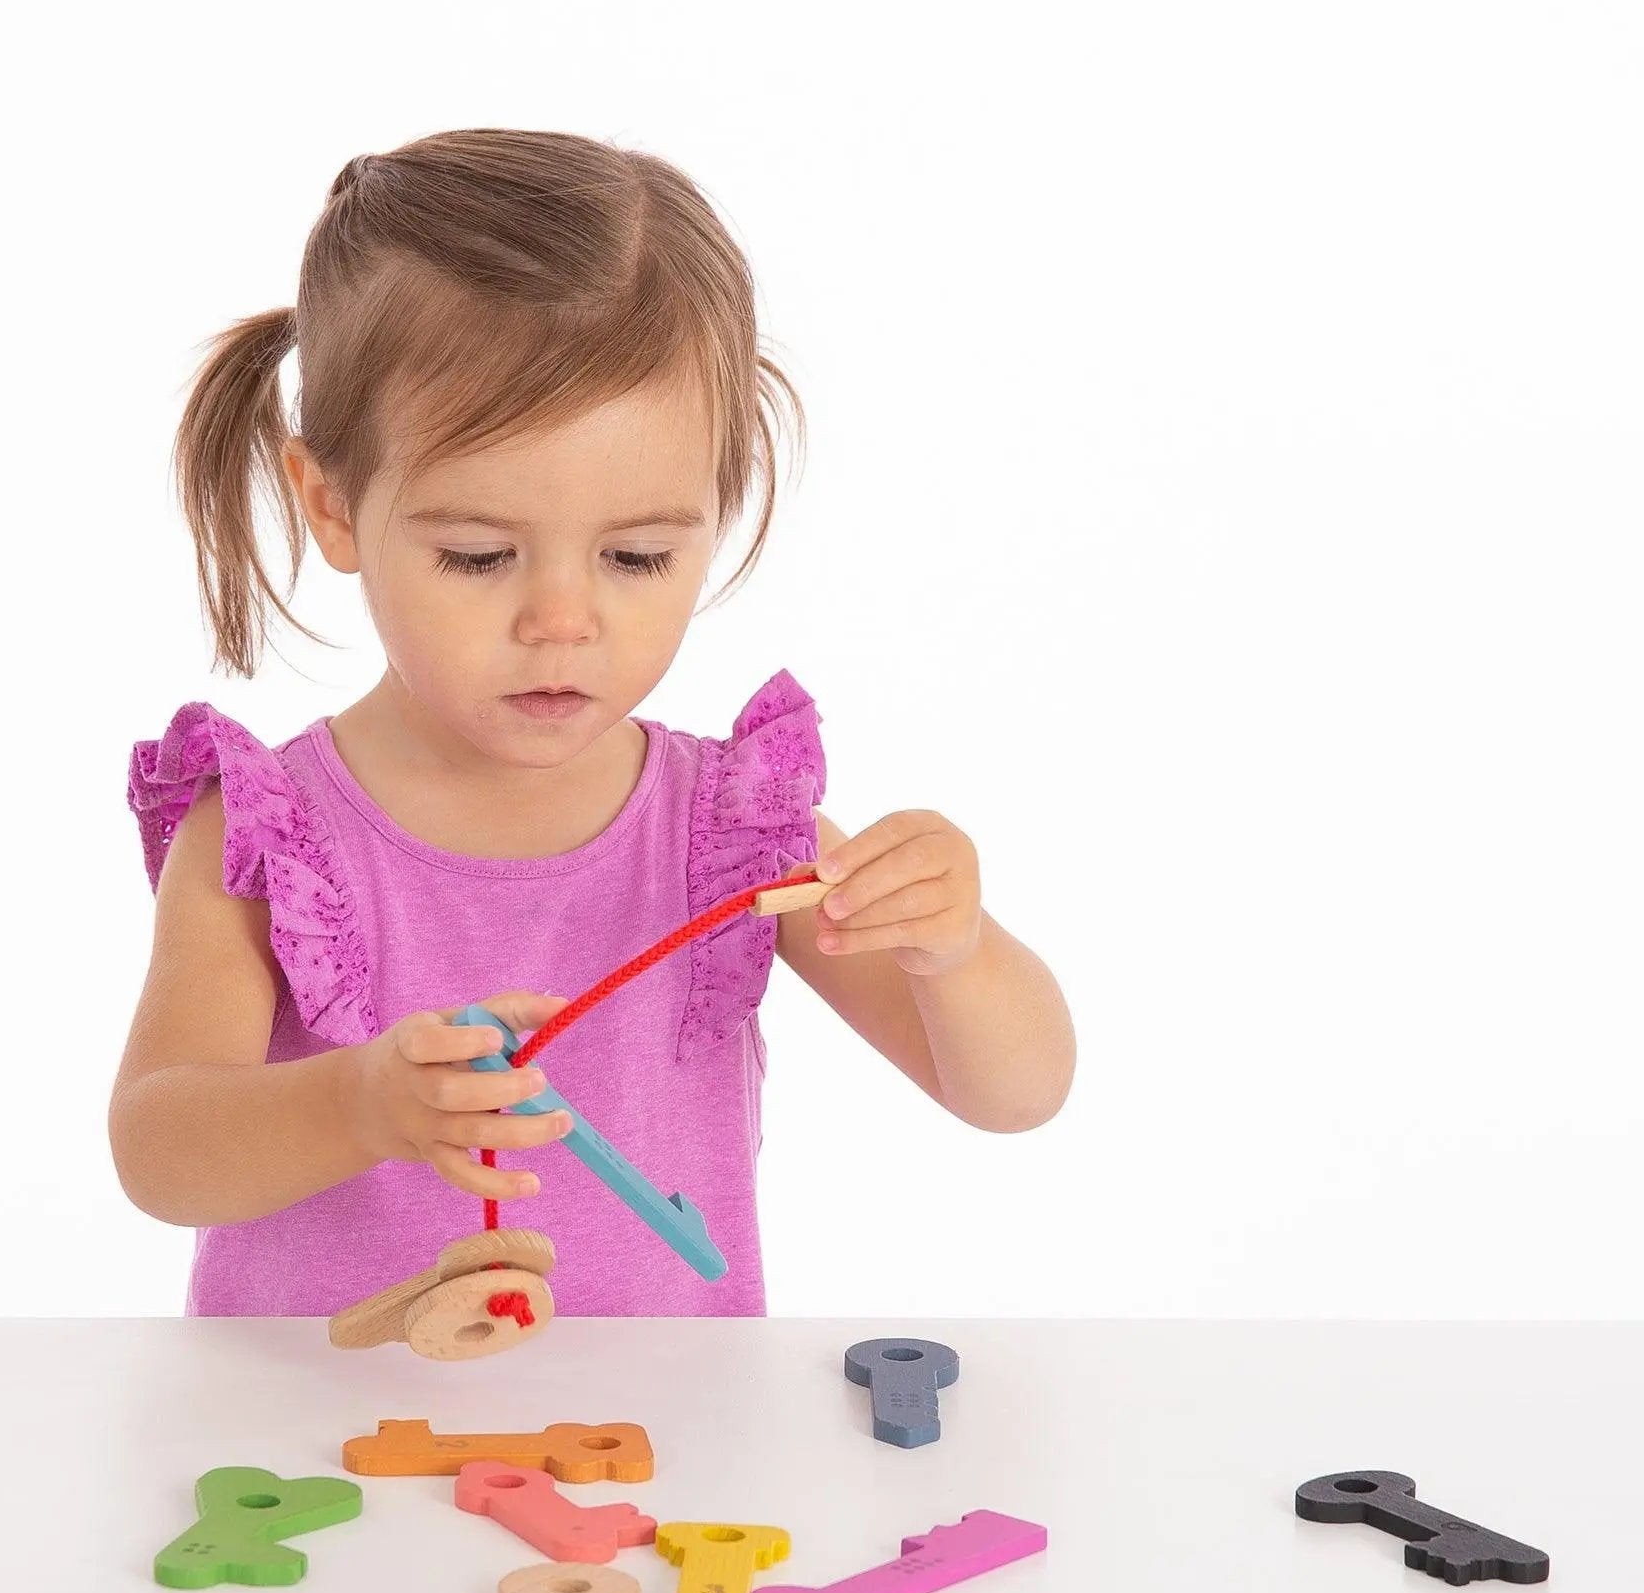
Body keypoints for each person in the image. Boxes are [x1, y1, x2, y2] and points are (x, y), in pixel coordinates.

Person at [110, 128, 1074, 1318]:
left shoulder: (733, 831)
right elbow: (158, 1149)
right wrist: (360, 1104)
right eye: (477, 555)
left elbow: (1016, 1093)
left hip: (654, 1472)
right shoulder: (269, 837)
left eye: (635, 554)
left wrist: (959, 950)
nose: (561, 620)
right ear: (335, 505)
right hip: (317, 1471)